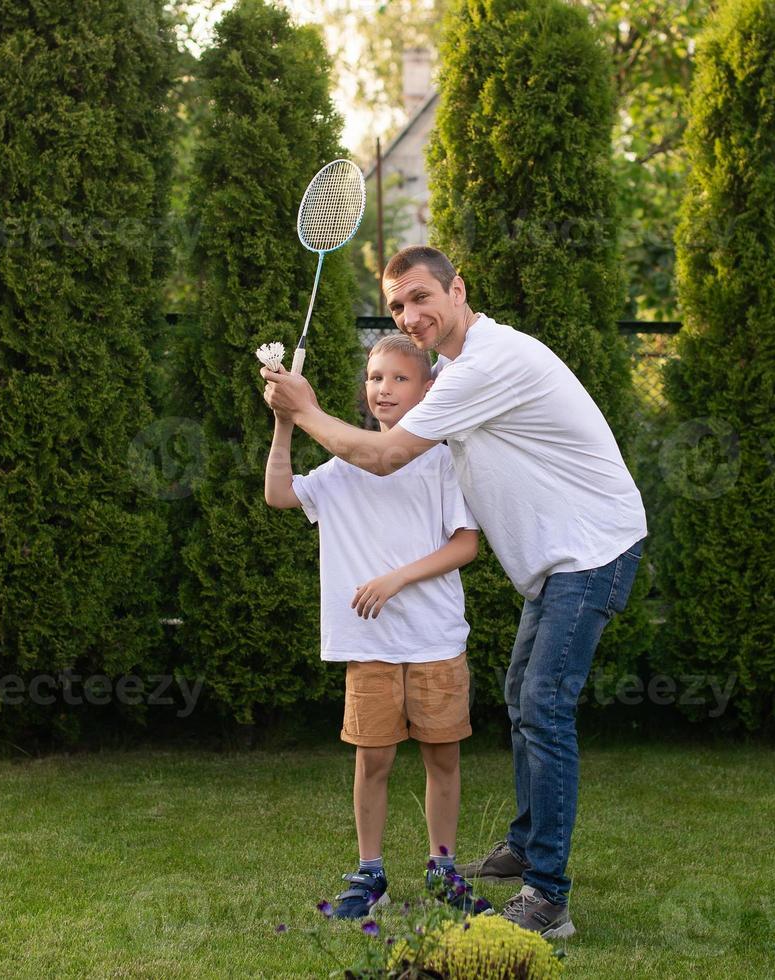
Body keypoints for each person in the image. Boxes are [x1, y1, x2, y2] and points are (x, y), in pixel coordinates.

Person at [262, 245, 647, 940]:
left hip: (593, 551)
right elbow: (389, 428)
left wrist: (304, 409)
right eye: (396, 307)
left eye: (419, 298)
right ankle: (527, 846)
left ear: (458, 289)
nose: (409, 316)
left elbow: (385, 455)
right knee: (521, 696)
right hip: (561, 559)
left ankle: (547, 896)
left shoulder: (485, 364)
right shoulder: (452, 371)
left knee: (543, 706)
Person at [265, 333, 488, 920]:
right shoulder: (344, 465)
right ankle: (370, 874)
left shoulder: (442, 459)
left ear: (429, 389)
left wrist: (396, 578)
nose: (383, 389)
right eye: (374, 378)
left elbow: (466, 544)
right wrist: (287, 420)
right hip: (370, 646)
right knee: (374, 762)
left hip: (435, 639)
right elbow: (280, 494)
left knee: (443, 759)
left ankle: (443, 870)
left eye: (399, 378)